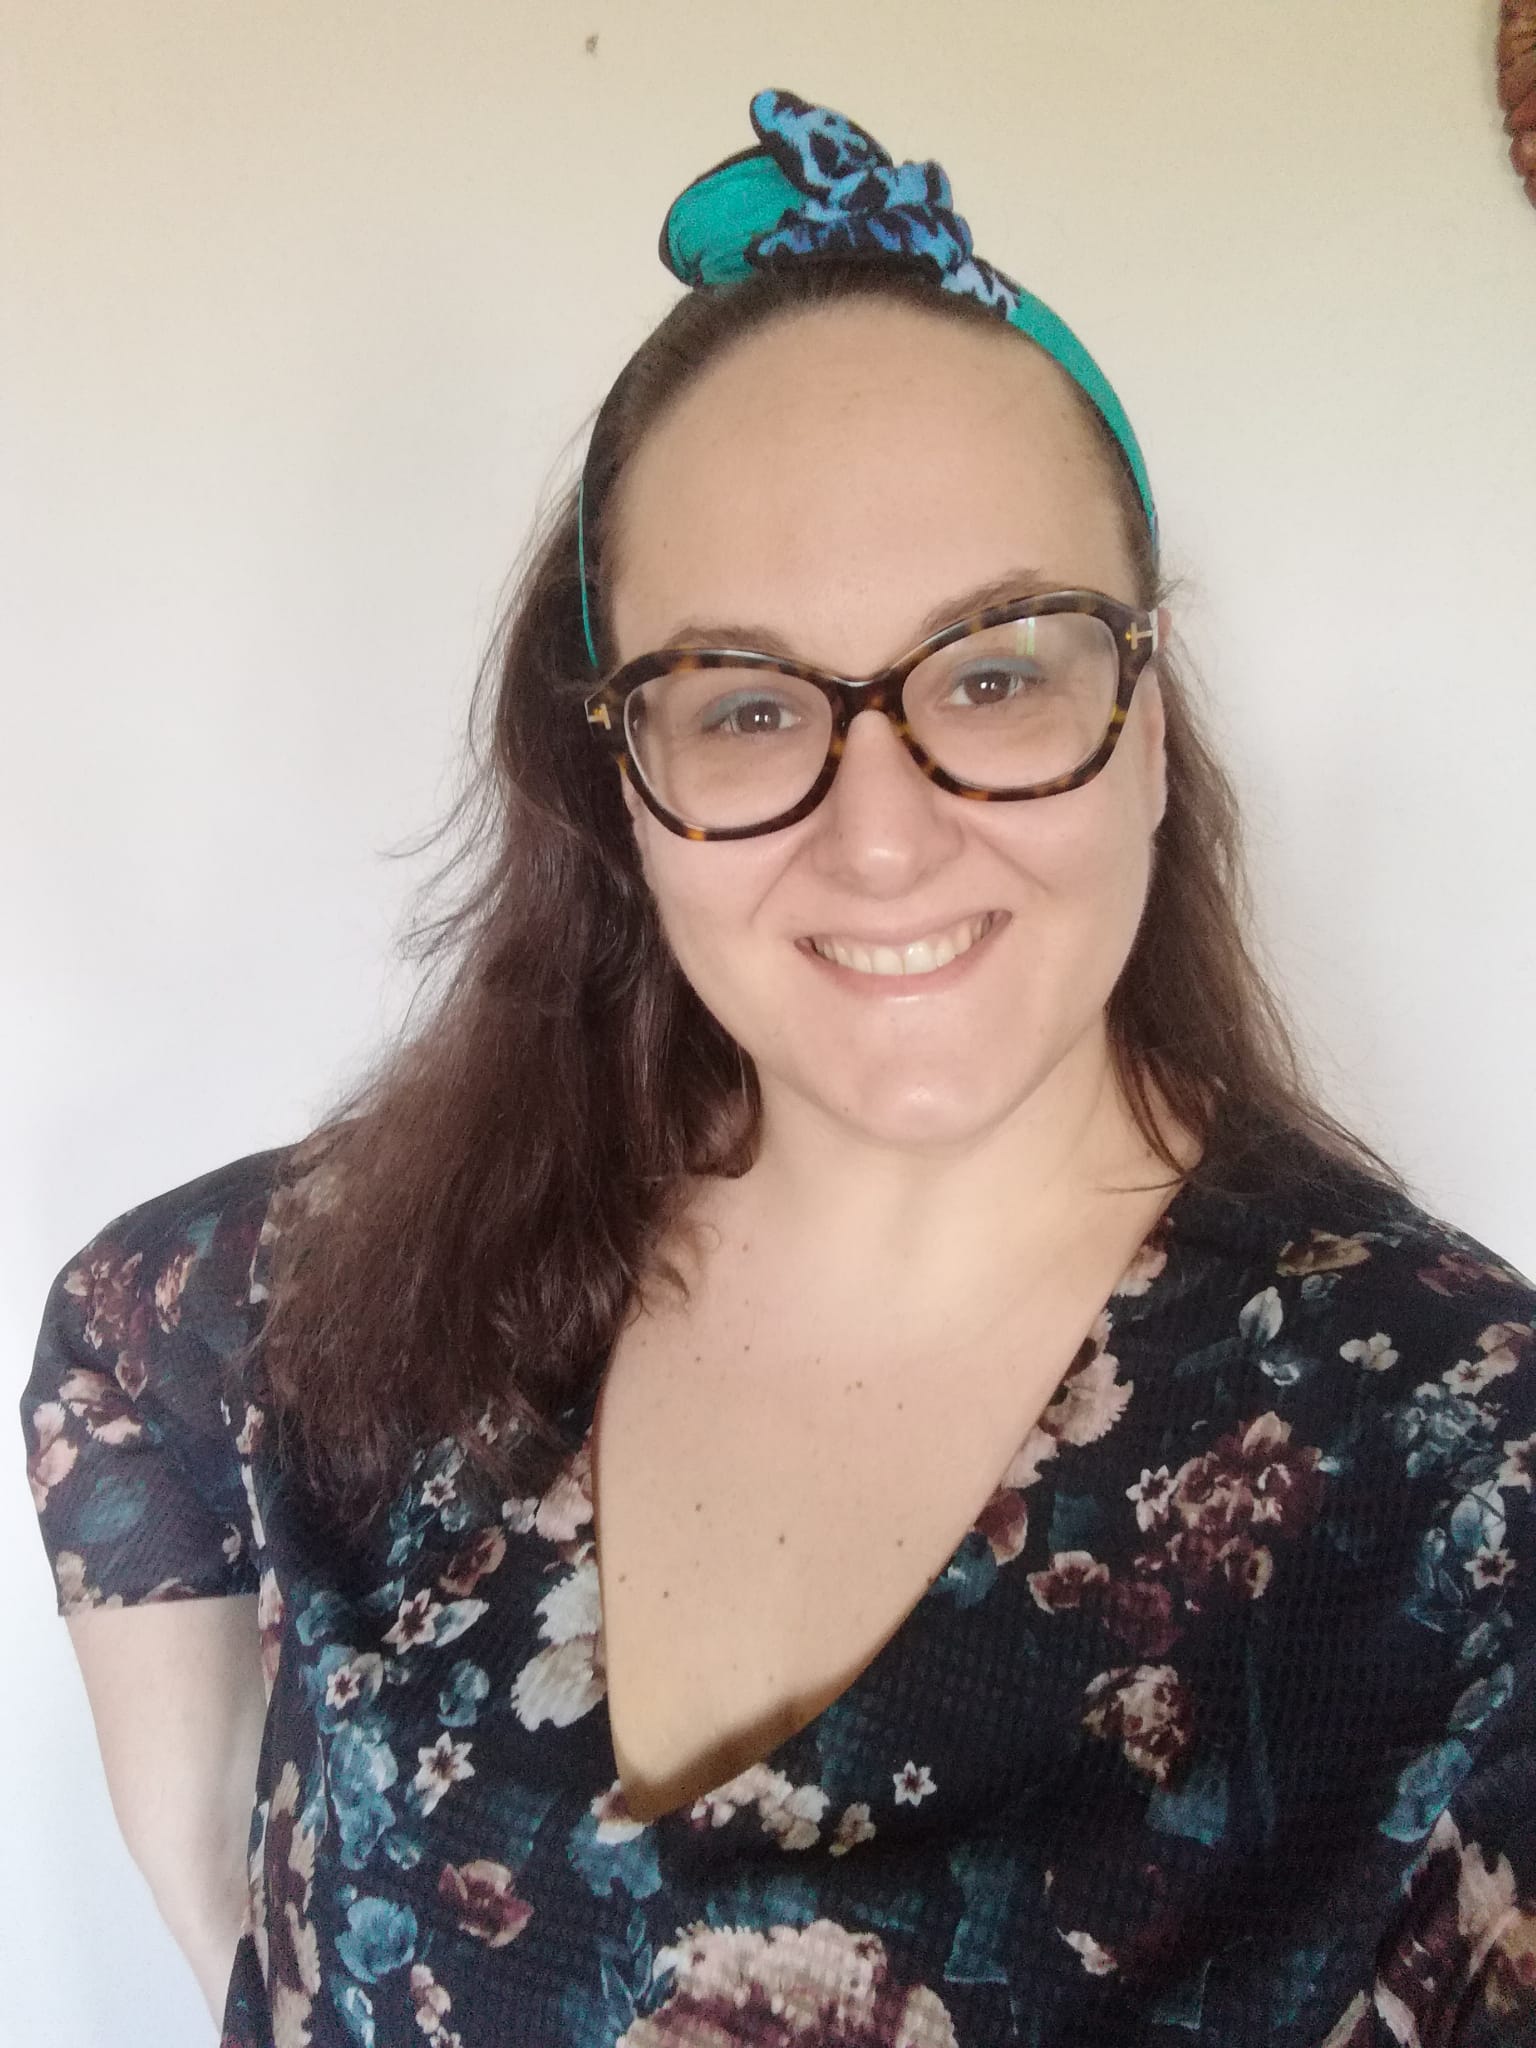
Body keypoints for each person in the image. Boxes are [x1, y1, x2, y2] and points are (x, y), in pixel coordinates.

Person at [20, 86, 1536, 2048]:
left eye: (997, 671)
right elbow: (121, 1341)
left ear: (1148, 720)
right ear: (620, 781)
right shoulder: (435, 1258)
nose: (882, 840)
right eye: (742, 706)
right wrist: (238, 1942)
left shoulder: (1464, 1493)